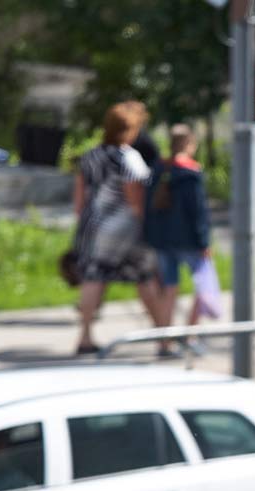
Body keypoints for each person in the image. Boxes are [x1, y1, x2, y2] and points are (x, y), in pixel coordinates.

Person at [72, 101, 163, 355]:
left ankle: (84, 337)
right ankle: (163, 337)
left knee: (93, 277)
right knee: (145, 277)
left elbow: (79, 202)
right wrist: (148, 226)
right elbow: (135, 200)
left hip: (93, 225)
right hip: (124, 227)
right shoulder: (128, 158)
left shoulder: (90, 156)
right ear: (128, 130)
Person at [144, 124, 217, 356]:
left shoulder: (159, 169)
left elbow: (149, 208)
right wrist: (204, 242)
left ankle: (164, 342)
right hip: (189, 240)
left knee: (169, 289)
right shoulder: (191, 173)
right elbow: (198, 213)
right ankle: (190, 334)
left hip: (163, 240)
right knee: (202, 286)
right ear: (189, 144)